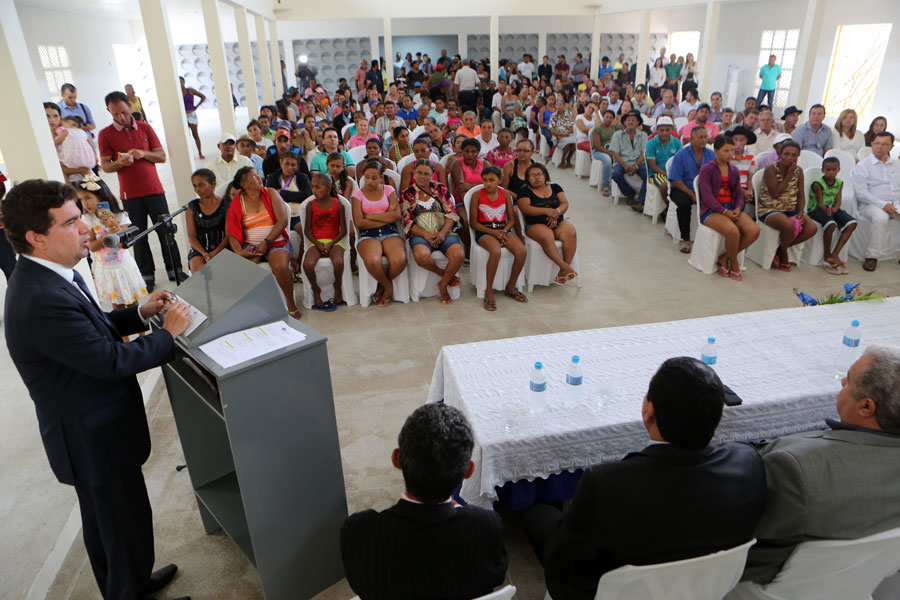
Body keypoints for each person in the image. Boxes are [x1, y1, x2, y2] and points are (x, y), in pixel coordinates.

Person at [2, 179, 192, 600]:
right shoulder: (39, 297)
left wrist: (138, 314)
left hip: (95, 430)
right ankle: (130, 590)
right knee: (119, 525)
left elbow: (93, 335)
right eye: (71, 222)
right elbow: (109, 361)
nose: (85, 227)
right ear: (37, 237)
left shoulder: (52, 275)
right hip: (91, 438)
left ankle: (132, 583)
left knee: (113, 526)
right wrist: (168, 336)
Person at [524, 357, 766, 600]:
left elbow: (568, 557)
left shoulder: (605, 483)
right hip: (707, 586)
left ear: (648, 411)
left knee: (538, 514)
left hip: (610, 590)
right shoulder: (748, 463)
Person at [742, 347, 900, 585]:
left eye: (849, 379)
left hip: (768, 586)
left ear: (866, 407)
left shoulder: (795, 466)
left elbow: (744, 535)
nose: (843, 382)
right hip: (861, 582)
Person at [341, 402, 507, 599]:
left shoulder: (360, 533)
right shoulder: (485, 525)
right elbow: (497, 576)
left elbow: (358, 583)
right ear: (468, 471)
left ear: (396, 459)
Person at [98, 91, 185, 291]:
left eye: (124, 112)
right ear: (109, 112)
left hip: (155, 190)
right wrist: (119, 162)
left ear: (130, 106)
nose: (121, 117)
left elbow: (162, 156)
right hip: (130, 195)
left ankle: (175, 269)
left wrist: (143, 153)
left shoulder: (145, 128)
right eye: (115, 114)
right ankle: (146, 276)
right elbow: (105, 166)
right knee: (138, 236)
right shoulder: (105, 134)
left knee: (166, 230)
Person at [226, 167, 300, 319]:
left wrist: (266, 241)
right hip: (251, 245)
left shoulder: (271, 193)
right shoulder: (237, 202)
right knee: (244, 270)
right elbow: (231, 232)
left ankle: (291, 303)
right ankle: (258, 308)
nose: (259, 178)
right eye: (254, 176)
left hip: (275, 241)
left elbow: (282, 221)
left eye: (258, 175)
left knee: (280, 266)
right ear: (244, 184)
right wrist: (240, 251)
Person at [76, 176, 149, 309]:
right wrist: (108, 234)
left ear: (101, 196)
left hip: (122, 266)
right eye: (81, 199)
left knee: (133, 303)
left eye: (88, 197)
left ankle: (142, 330)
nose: (85, 203)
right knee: (117, 306)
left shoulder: (120, 216)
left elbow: (123, 245)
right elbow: (92, 247)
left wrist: (116, 228)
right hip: (105, 269)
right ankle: (124, 330)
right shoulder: (88, 219)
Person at [400, 160, 464, 305]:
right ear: (414, 173)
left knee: (458, 255)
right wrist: (426, 235)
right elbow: (407, 221)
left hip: (444, 232)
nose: (422, 177)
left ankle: (443, 285)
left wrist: (442, 233)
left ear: (432, 175)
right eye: (419, 173)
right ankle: (445, 276)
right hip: (420, 234)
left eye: (426, 174)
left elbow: (451, 213)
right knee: (421, 256)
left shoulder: (440, 189)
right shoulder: (407, 193)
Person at [697, 135, 760, 280]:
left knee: (754, 231)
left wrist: (738, 208)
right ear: (716, 151)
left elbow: (738, 192)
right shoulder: (707, 169)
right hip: (711, 211)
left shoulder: (733, 170)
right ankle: (735, 263)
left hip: (731, 208)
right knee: (733, 231)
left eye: (732, 150)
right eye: (726, 150)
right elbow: (707, 197)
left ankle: (725, 257)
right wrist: (724, 211)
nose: (730, 154)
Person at [470, 166, 528, 311]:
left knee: (521, 250)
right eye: (485, 180)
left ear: (499, 180)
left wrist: (505, 230)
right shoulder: (477, 195)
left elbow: (511, 219)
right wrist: (494, 233)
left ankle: (511, 286)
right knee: (495, 251)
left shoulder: (505, 194)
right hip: (484, 231)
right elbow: (473, 223)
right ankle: (488, 291)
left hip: (503, 229)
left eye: (492, 180)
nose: (488, 183)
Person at [352, 161, 406, 306]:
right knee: (372, 261)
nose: (370, 181)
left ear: (381, 177)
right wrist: (385, 217)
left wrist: (369, 217)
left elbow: (397, 215)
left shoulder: (389, 190)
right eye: (367, 177)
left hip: (390, 231)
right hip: (368, 234)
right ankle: (388, 287)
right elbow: (359, 222)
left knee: (399, 260)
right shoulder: (357, 195)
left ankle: (382, 286)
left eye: (374, 178)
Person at [757, 140, 817, 270]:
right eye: (786, 154)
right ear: (780, 154)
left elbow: (801, 194)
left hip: (790, 209)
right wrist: (789, 175)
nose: (790, 158)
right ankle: (784, 255)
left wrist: (800, 211)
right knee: (788, 226)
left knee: (812, 228)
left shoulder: (799, 171)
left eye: (794, 155)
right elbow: (776, 194)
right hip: (770, 208)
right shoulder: (771, 169)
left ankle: (779, 249)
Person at [518, 163, 578, 284]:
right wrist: (547, 211)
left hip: (558, 221)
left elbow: (564, 203)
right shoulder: (524, 191)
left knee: (571, 233)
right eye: (532, 175)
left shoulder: (555, 187)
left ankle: (562, 272)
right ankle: (566, 267)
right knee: (546, 237)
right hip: (535, 224)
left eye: (539, 174)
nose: (537, 177)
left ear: (545, 175)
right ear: (528, 178)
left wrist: (556, 212)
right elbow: (525, 208)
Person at [852, 131, 899, 271]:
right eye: (877, 143)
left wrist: (894, 205)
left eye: (885, 144)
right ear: (871, 144)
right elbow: (861, 194)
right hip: (871, 205)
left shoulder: (897, 165)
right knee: (880, 218)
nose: (880, 147)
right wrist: (884, 205)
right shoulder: (863, 166)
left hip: (895, 203)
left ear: (891, 147)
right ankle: (872, 257)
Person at [300, 172, 347, 311]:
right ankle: (316, 290)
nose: (314, 190)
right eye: (313, 187)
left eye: (318, 187)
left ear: (328, 188)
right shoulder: (310, 206)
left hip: (335, 241)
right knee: (308, 264)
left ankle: (337, 287)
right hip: (315, 242)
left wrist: (331, 243)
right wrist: (317, 243)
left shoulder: (338, 205)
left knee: (338, 262)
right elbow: (307, 230)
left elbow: (343, 230)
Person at [669, 127, 716, 253]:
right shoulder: (681, 154)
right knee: (684, 205)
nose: (704, 140)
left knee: (719, 202)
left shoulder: (711, 154)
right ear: (691, 138)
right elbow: (675, 179)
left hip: (703, 189)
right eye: (700, 137)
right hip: (683, 189)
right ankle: (685, 238)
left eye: (705, 137)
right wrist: (691, 194)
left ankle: (711, 238)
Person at [806, 157, 856, 274]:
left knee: (852, 223)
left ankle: (835, 255)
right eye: (828, 170)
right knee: (831, 225)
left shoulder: (839, 183)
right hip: (816, 210)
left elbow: (838, 200)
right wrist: (827, 210)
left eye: (834, 169)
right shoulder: (818, 184)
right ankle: (827, 255)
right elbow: (819, 203)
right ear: (823, 170)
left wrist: (835, 209)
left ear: (839, 170)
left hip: (832, 208)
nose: (831, 172)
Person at [185, 169, 230, 274]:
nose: (198, 189)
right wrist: (204, 253)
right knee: (199, 273)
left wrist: (215, 252)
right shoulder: (192, 208)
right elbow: (191, 236)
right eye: (195, 186)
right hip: (200, 250)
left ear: (213, 184)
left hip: (222, 249)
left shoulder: (226, 206)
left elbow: (228, 236)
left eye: (201, 185)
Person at [45, 102, 96, 183]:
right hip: (63, 182)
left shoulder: (70, 132)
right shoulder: (43, 140)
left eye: (55, 116)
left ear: (60, 117)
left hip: (87, 178)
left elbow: (90, 149)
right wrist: (80, 169)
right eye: (47, 116)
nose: (52, 120)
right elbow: (53, 167)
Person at [610, 110, 648, 210]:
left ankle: (640, 201)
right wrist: (625, 165)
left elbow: (644, 153)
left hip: (639, 163)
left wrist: (636, 166)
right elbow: (615, 154)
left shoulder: (643, 135)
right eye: (628, 120)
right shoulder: (617, 135)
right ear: (624, 122)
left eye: (633, 120)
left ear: (637, 123)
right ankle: (629, 193)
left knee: (649, 175)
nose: (631, 122)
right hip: (622, 162)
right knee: (615, 174)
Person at [645, 116, 682, 215]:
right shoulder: (651, 143)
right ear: (657, 130)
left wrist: (674, 174)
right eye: (661, 130)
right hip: (656, 174)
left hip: (674, 172)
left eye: (667, 130)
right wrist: (667, 175)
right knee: (664, 186)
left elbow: (679, 161)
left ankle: (678, 208)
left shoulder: (677, 142)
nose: (664, 133)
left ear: (672, 130)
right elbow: (653, 166)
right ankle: (669, 208)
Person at [266, 151, 311, 231]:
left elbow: (306, 195)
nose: (290, 167)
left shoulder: (302, 177)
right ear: (281, 163)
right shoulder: (273, 177)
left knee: (303, 231)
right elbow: (270, 196)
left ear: (297, 166)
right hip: (279, 216)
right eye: (287, 164)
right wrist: (296, 196)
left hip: (299, 216)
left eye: (293, 165)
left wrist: (281, 193)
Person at [208, 133, 253, 197]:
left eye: (231, 143)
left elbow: (251, 181)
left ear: (235, 146)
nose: (228, 146)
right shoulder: (212, 164)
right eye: (225, 143)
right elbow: (209, 185)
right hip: (220, 200)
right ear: (218, 146)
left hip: (243, 197)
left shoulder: (245, 161)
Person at [590, 109, 621, 197]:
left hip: (613, 151)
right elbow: (597, 146)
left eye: (611, 118)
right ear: (603, 117)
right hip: (599, 152)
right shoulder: (597, 129)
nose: (608, 119)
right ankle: (606, 186)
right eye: (607, 117)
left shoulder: (615, 128)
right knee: (607, 160)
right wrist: (610, 153)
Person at [179, 76, 206, 159]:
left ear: (184, 82)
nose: (180, 83)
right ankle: (187, 154)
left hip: (191, 114)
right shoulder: (177, 92)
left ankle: (200, 153)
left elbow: (203, 97)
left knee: (195, 134)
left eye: (181, 81)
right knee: (185, 136)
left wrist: (196, 107)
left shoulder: (190, 90)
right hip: (182, 115)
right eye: (178, 82)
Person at [550, 96, 577, 169]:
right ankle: (563, 159)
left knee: (574, 143)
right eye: (557, 105)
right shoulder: (553, 116)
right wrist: (560, 134)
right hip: (557, 136)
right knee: (567, 143)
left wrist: (567, 133)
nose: (558, 107)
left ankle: (568, 158)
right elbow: (552, 130)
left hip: (568, 134)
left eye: (560, 105)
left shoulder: (569, 114)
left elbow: (573, 126)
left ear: (564, 106)